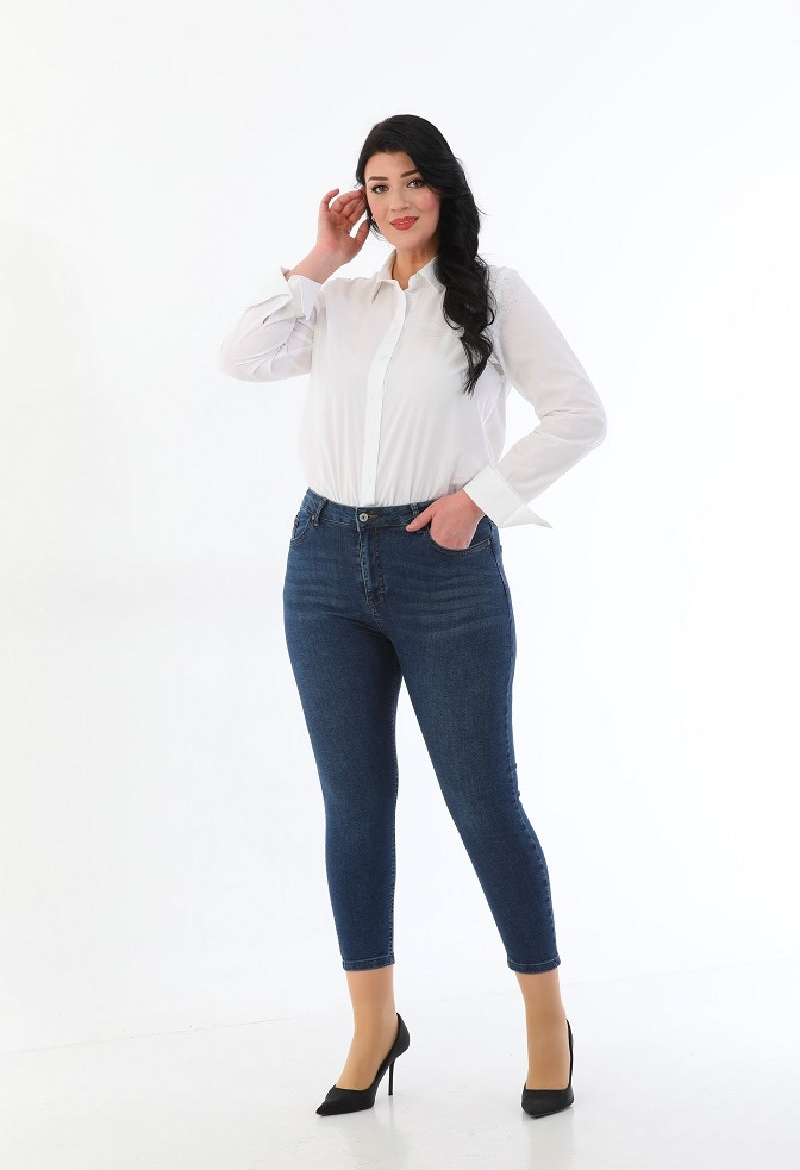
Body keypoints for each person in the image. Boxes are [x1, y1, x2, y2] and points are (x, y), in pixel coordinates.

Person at [218, 114, 607, 1118]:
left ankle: (544, 1022)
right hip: (322, 564)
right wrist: (317, 257)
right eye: (376, 185)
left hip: (444, 567)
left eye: (410, 181)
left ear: (443, 187)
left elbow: (579, 413)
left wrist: (481, 498)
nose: (394, 202)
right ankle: (372, 1025)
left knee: (483, 803)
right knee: (354, 806)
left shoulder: (492, 294)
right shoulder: (339, 302)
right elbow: (241, 356)